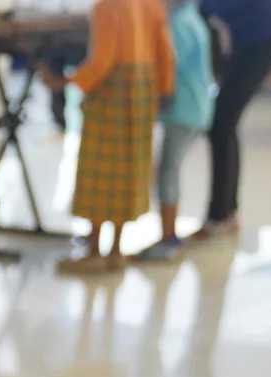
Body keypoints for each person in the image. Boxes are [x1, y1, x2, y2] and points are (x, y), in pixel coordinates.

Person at [41, 0, 174, 273]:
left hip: (113, 90)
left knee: (100, 169)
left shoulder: (108, 7)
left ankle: (94, 251)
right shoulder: (150, 3)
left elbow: (103, 60)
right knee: (129, 169)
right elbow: (165, 52)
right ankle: (115, 250)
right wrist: (165, 87)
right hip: (143, 88)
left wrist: (65, 83)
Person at [188, 0, 271, 242]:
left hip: (266, 36)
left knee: (221, 123)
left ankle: (220, 218)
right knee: (223, 123)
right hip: (254, 36)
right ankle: (226, 214)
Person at [137, 0, 214, 261]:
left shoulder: (179, 23)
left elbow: (167, 62)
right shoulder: (190, 17)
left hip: (185, 109)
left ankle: (169, 239)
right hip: (192, 107)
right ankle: (168, 236)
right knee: (168, 170)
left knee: (167, 171)